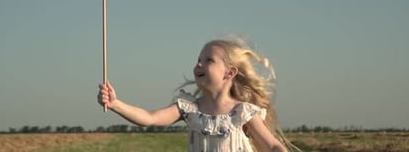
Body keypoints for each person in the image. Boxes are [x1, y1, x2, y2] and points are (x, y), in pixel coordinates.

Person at [97, 35, 298, 152]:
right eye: (198, 59)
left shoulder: (243, 112)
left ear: (229, 72)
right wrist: (116, 104)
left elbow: (271, 146)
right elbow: (150, 118)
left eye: (208, 60)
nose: (198, 64)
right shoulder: (190, 108)